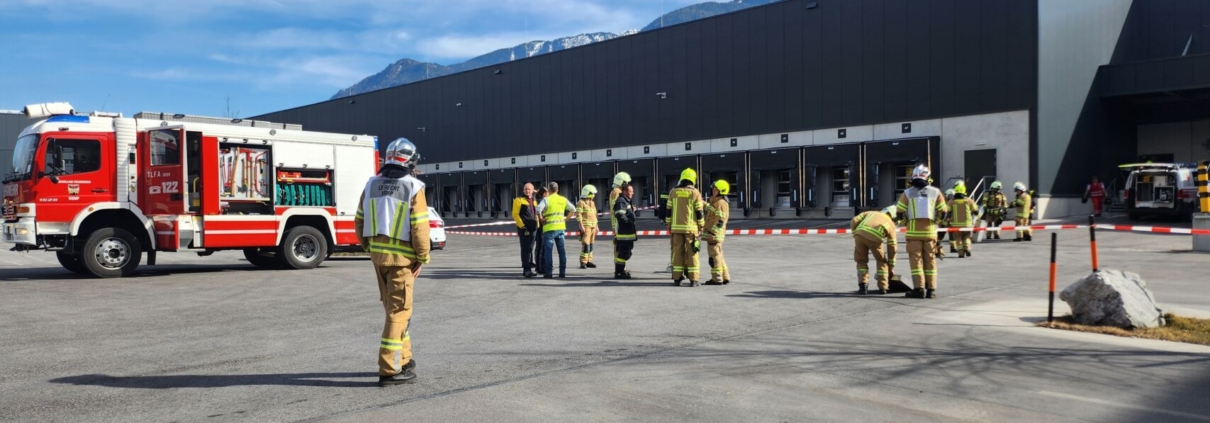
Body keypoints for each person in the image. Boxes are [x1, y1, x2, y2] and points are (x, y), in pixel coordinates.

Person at [355, 138, 431, 386]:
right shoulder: (413, 186)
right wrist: (423, 257)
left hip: (379, 258)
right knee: (400, 313)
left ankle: (404, 358)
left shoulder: (371, 184)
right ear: (411, 161)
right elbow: (420, 228)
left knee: (394, 311)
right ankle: (390, 369)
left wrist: (369, 247)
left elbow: (359, 219)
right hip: (402, 261)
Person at [895, 164, 948, 299]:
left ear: (913, 177)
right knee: (930, 260)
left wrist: (906, 222)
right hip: (930, 232)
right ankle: (931, 290)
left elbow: (899, 212)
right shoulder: (935, 192)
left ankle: (919, 289)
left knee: (916, 261)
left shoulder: (907, 193)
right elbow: (943, 212)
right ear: (927, 177)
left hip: (913, 233)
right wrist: (936, 222)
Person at [666, 168, 705, 287]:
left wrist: (669, 225)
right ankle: (694, 280)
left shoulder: (673, 192)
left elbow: (668, 211)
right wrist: (701, 225)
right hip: (691, 229)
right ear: (693, 180)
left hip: (676, 229)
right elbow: (699, 212)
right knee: (692, 253)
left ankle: (677, 279)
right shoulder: (695, 193)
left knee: (677, 253)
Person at [852, 207, 899, 295]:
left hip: (859, 235)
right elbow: (892, 246)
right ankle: (883, 287)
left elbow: (854, 220)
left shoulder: (871, 213)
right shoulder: (891, 223)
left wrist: (855, 233)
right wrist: (891, 265)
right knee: (881, 261)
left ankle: (863, 287)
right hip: (875, 238)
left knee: (861, 261)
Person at [537, 182, 572, 278]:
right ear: (557, 190)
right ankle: (562, 272)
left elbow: (538, 209)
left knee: (548, 251)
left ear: (549, 190)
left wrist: (541, 218)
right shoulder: (563, 199)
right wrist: (566, 219)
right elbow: (573, 209)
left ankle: (549, 273)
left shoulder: (546, 199)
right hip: (560, 228)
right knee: (561, 250)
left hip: (549, 229)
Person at [703, 180, 731, 285]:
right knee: (719, 256)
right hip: (714, 234)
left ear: (721, 191)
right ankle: (725, 277)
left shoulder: (720, 203)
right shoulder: (716, 202)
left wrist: (713, 233)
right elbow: (709, 208)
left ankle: (717, 278)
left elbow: (720, 220)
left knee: (714, 257)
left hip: (714, 235)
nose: (713, 191)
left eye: (716, 190)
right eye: (713, 189)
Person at [511, 182, 539, 278]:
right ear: (523, 190)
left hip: (534, 228)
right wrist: (522, 226)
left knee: (530, 248)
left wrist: (537, 225)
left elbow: (536, 214)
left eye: (529, 189)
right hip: (524, 229)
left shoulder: (534, 201)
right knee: (525, 249)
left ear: (533, 190)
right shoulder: (518, 200)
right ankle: (526, 270)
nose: (527, 191)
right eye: (526, 189)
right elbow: (515, 214)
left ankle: (529, 267)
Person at [613, 183, 637, 279]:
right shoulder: (621, 201)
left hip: (627, 233)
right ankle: (619, 272)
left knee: (626, 253)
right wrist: (628, 222)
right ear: (625, 191)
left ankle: (621, 270)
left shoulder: (626, 201)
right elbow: (619, 214)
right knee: (624, 253)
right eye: (631, 191)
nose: (632, 193)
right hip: (624, 234)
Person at [948, 183, 978, 258]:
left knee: (958, 238)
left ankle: (961, 253)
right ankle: (967, 248)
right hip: (967, 224)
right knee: (967, 236)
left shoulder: (951, 202)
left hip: (955, 225)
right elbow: (976, 211)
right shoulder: (969, 201)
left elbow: (946, 211)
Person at [608, 172, 631, 266]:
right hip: (619, 223)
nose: (628, 184)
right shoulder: (617, 192)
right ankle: (619, 266)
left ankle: (620, 266)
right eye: (626, 182)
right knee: (620, 245)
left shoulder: (615, 191)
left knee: (619, 244)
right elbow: (617, 208)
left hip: (617, 222)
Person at [576, 185, 599, 269]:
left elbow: (595, 215)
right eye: (592, 193)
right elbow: (578, 215)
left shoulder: (592, 202)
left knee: (591, 244)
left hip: (593, 226)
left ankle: (589, 261)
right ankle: (583, 262)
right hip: (586, 227)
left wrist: (596, 226)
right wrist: (581, 226)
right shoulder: (581, 202)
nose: (594, 195)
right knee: (586, 244)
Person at [533, 186, 547, 274]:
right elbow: (539, 211)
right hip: (541, 226)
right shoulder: (542, 201)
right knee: (542, 247)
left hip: (538, 226)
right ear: (544, 193)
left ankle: (539, 267)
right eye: (547, 193)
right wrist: (542, 218)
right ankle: (541, 268)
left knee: (539, 247)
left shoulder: (537, 199)